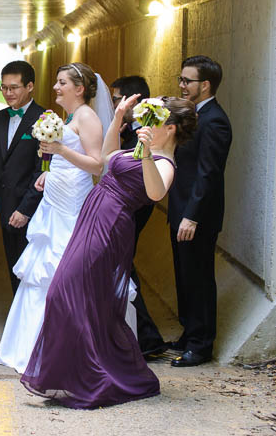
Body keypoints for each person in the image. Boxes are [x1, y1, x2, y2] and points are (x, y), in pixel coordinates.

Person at [21, 95, 198, 409]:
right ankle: (82, 372)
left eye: (153, 123)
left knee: (67, 292)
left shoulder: (165, 162)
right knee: (72, 294)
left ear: (169, 129)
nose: (146, 126)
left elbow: (156, 192)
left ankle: (96, 375)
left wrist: (144, 155)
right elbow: (105, 160)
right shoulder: (144, 148)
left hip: (110, 225)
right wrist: (117, 118)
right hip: (93, 215)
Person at [0, 62, 113, 373]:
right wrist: (48, 173)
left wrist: (59, 150)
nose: (56, 88)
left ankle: (66, 350)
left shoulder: (88, 118)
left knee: (62, 270)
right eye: (57, 82)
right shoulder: (70, 117)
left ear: (80, 89)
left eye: (62, 83)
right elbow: (68, 161)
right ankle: (34, 347)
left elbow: (96, 165)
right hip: (55, 201)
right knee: (42, 272)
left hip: (73, 206)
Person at [167, 56, 232, 367]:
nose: (181, 85)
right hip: (179, 209)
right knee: (183, 275)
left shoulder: (215, 120)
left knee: (199, 277)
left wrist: (191, 216)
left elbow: (208, 174)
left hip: (197, 216)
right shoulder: (192, 115)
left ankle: (201, 345)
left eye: (186, 81)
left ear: (204, 85)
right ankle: (189, 332)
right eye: (180, 79)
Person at [111, 76, 167, 357]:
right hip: (124, 207)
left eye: (116, 98)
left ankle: (147, 338)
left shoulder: (150, 130)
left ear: (134, 100)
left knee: (124, 269)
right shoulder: (129, 130)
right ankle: (144, 337)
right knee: (125, 268)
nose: (113, 104)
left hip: (135, 207)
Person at [0, 61, 45, 295]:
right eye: (4, 88)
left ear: (30, 87)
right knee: (13, 264)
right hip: (7, 206)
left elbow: (43, 171)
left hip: (34, 208)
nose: (8, 93)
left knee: (33, 265)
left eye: (14, 88)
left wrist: (26, 209)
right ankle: (19, 317)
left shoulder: (44, 119)